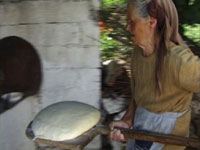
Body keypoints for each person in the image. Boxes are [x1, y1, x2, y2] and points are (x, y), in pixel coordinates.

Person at [109, 0, 200, 150]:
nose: (127, 27)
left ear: (151, 22)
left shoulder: (177, 61)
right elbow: (138, 96)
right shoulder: (138, 53)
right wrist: (127, 120)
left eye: (132, 22)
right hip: (140, 134)